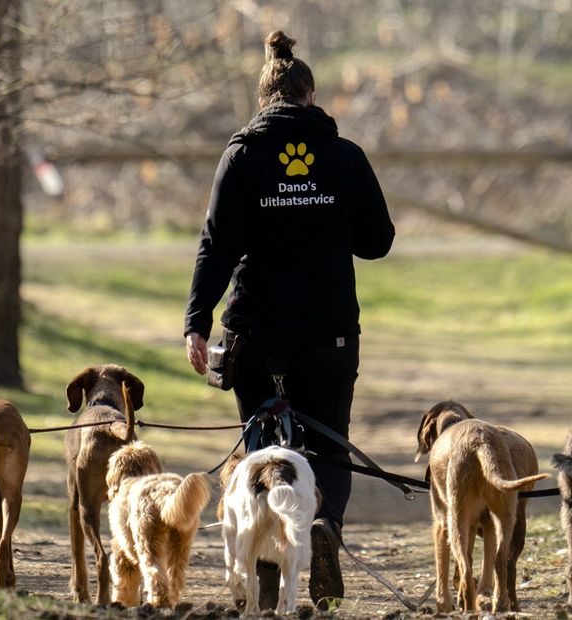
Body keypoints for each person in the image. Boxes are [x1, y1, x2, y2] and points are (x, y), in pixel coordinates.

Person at [184, 30, 394, 611]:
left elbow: (215, 247)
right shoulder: (345, 157)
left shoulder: (241, 156)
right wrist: (328, 219)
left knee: (257, 450)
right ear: (310, 97)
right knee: (329, 448)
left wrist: (196, 322)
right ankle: (322, 527)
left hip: (253, 331)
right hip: (327, 333)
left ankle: (266, 577)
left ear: (262, 100)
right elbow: (378, 241)